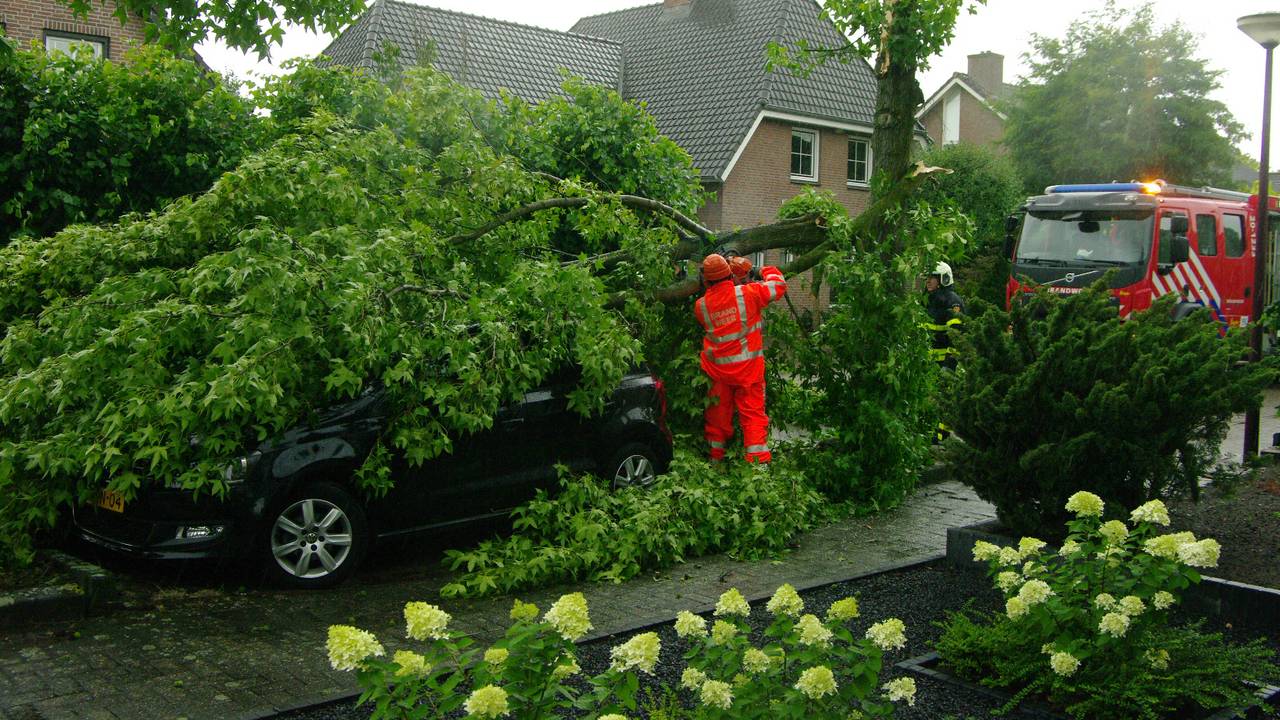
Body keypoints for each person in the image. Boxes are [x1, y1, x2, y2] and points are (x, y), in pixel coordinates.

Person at [694, 253, 787, 464]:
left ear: (706, 280)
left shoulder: (701, 306)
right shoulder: (748, 294)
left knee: (716, 420)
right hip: (748, 372)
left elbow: (721, 300)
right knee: (753, 417)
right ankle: (757, 467)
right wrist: (756, 270)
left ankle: (715, 463)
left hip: (719, 373)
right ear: (729, 274)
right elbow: (778, 285)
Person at [924, 261, 964, 369]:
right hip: (925, 365)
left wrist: (949, 366)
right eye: (927, 277)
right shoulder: (927, 299)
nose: (928, 281)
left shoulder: (952, 302)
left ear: (944, 279)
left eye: (932, 277)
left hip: (942, 365)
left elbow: (956, 336)